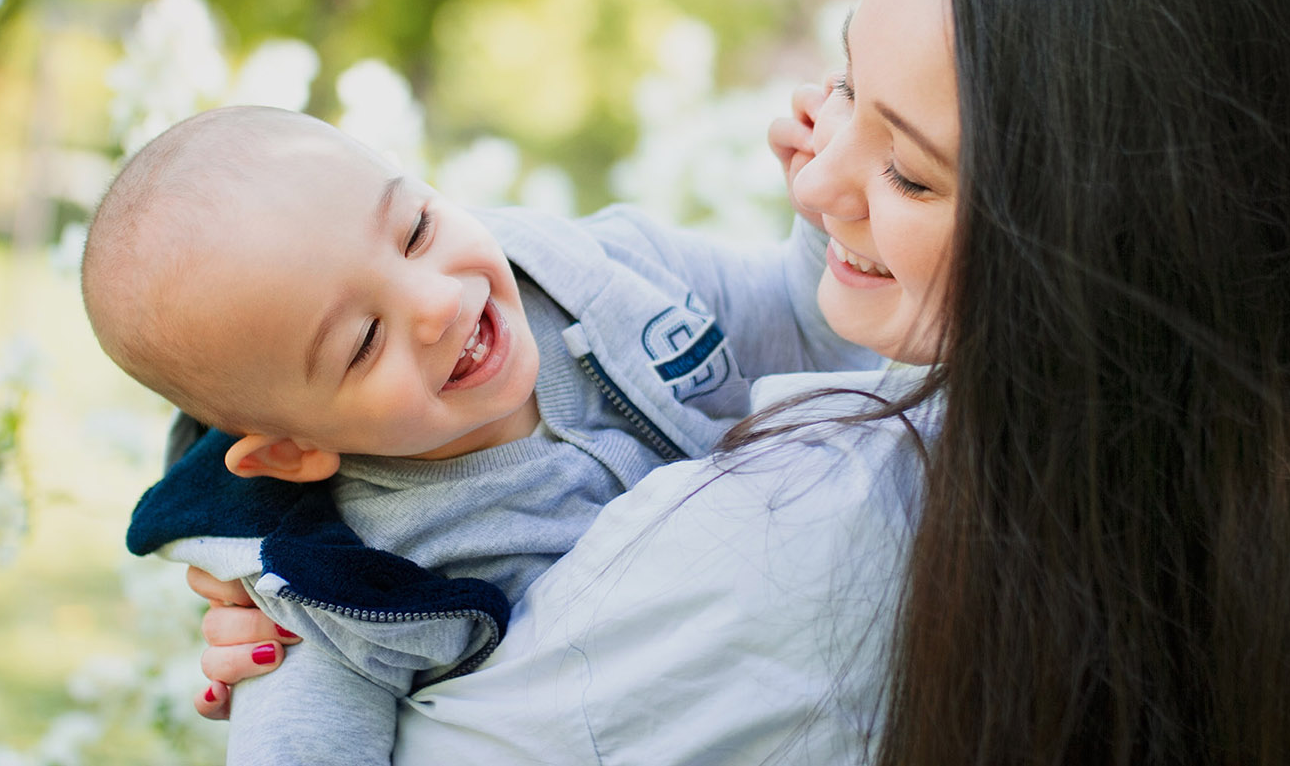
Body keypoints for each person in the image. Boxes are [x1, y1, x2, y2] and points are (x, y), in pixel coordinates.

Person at [185, 0, 1290, 765]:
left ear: (1099, 232)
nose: (816, 180)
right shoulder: (1235, 485)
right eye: (845, 86)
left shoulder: (785, 541)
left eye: (908, 169)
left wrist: (287, 636)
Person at [81, 104, 879, 766]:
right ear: (291, 452)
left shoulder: (603, 272)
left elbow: (806, 330)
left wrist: (831, 219)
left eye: (416, 229)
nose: (434, 302)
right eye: (363, 341)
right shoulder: (359, 587)